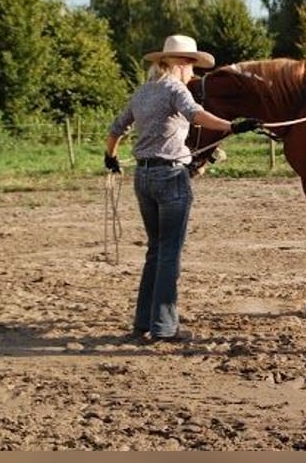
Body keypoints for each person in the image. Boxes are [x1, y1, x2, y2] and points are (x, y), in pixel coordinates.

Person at [104, 34, 260, 343]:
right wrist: (232, 126)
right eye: (191, 64)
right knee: (169, 254)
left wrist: (110, 157)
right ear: (180, 63)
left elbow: (116, 128)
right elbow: (196, 115)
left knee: (155, 250)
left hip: (143, 179)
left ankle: (143, 321)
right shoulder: (176, 89)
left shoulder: (143, 91)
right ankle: (164, 327)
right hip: (171, 178)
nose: (193, 71)